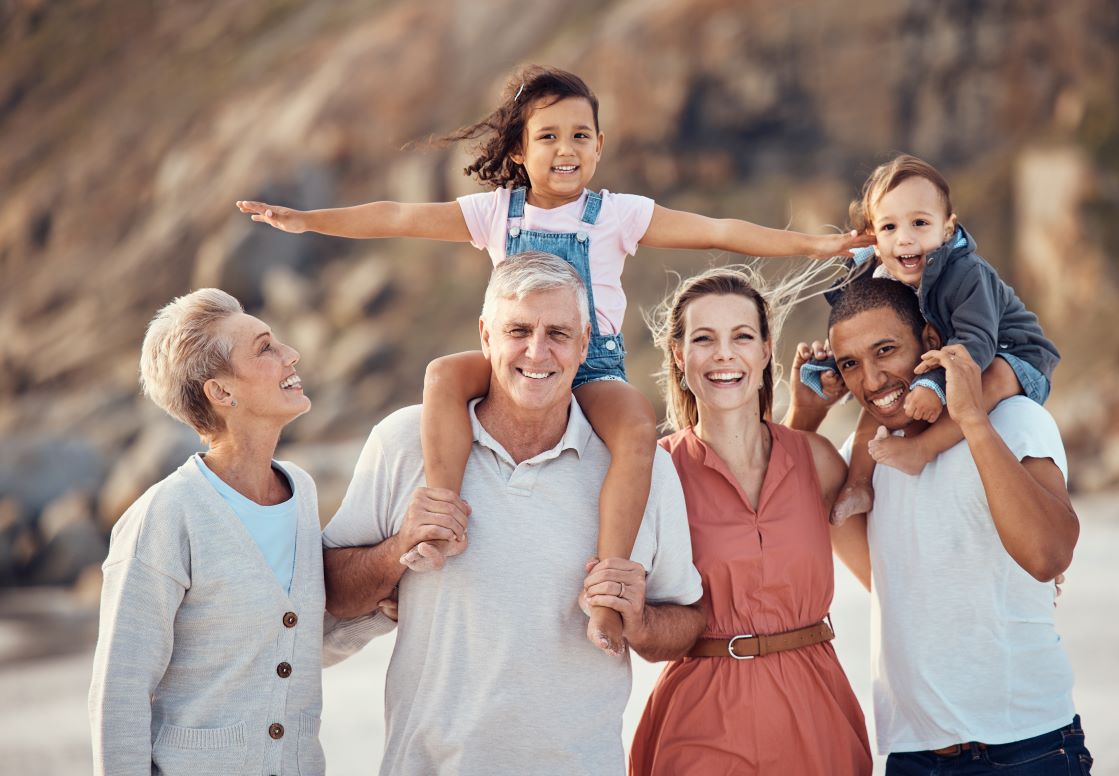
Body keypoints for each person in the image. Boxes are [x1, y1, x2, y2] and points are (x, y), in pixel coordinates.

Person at [237, 65, 868, 655]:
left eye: (579, 136)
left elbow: (721, 230)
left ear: (598, 147)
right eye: (548, 136)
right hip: (514, 361)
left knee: (636, 429)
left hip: (592, 364)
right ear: (518, 150)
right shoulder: (495, 213)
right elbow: (398, 216)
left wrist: (817, 244)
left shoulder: (617, 215)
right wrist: (308, 220)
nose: (565, 148)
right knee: (441, 377)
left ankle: (609, 582)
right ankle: (441, 518)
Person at [320, 252, 706, 776]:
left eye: (558, 333)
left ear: (586, 343)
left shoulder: (646, 472)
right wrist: (397, 550)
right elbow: (334, 598)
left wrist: (638, 618)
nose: (537, 351)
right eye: (518, 330)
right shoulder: (403, 443)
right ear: (485, 336)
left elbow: (684, 625)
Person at [791, 277, 1092, 774]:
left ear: (930, 342)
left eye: (885, 350)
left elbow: (1048, 557)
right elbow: (882, 582)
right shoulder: (863, 462)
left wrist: (972, 420)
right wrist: (804, 415)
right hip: (913, 754)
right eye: (850, 364)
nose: (872, 380)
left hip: (1027, 747)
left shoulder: (1015, 419)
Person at [627, 266, 872, 775]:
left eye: (741, 336)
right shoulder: (654, 473)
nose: (724, 354)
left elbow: (885, 576)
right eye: (703, 339)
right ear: (679, 355)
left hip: (815, 709)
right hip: (701, 718)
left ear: (765, 350)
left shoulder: (817, 458)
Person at [88, 289, 325, 775]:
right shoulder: (167, 515)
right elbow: (120, 692)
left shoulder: (300, 490)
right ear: (221, 393)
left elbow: (300, 639)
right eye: (265, 348)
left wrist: (398, 572)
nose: (291, 354)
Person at [800, 154, 1060, 524]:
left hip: (1011, 354)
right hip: (948, 354)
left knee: (993, 377)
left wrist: (933, 385)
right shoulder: (879, 270)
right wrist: (832, 369)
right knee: (878, 393)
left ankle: (923, 448)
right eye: (889, 228)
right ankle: (858, 484)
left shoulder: (966, 273)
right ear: (874, 239)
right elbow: (855, 322)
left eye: (920, 223)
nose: (905, 239)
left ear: (948, 229)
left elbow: (977, 342)